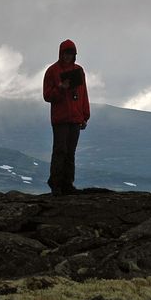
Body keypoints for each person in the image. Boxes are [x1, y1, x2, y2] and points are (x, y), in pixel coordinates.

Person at [43, 39, 90, 195]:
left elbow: (83, 94)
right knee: (60, 150)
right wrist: (61, 88)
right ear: (61, 54)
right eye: (66, 53)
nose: (68, 56)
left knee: (70, 152)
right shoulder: (52, 71)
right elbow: (47, 95)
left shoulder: (79, 70)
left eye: (71, 53)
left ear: (74, 54)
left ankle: (67, 184)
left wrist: (85, 116)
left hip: (75, 118)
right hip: (61, 119)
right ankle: (56, 185)